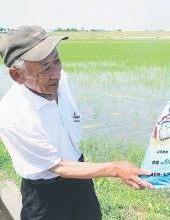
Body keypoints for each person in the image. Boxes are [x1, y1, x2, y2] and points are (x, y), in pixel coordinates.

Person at [0, 25, 152, 220]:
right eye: (45, 68)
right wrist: (115, 169)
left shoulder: (60, 80)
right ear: (17, 76)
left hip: (80, 178)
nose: (56, 73)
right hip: (46, 195)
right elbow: (58, 167)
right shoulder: (14, 117)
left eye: (57, 61)